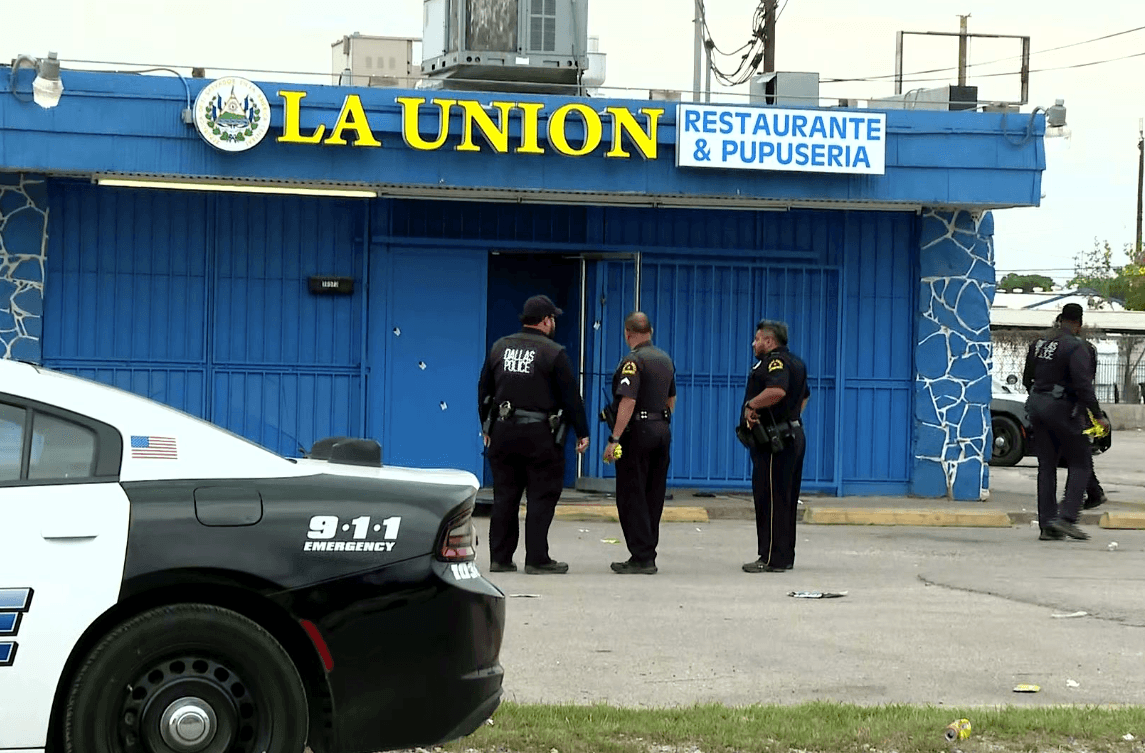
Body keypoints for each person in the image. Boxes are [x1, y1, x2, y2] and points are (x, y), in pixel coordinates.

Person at [478, 294, 590, 574]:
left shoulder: (499, 348)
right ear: (545, 321)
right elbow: (571, 398)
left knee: (505, 496)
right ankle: (537, 559)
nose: (554, 323)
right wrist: (582, 432)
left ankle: (500, 559)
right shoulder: (553, 352)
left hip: (503, 433)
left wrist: (486, 428)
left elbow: (484, 391)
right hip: (539, 436)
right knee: (541, 496)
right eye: (553, 318)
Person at [1021, 303, 1110, 541]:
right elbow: (1083, 385)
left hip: (1037, 406)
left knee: (1046, 466)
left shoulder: (1039, 345)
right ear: (1079, 324)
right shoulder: (1076, 347)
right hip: (1062, 408)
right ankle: (1067, 517)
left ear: (1060, 320)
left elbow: (1026, 379)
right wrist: (1097, 415)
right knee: (1081, 462)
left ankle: (1047, 525)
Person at [602, 312, 677, 575]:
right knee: (653, 494)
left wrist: (615, 438)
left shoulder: (633, 362)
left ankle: (641, 557)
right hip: (661, 429)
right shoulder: (665, 359)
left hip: (637, 433)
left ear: (627, 333)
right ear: (651, 330)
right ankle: (648, 551)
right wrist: (661, 423)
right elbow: (671, 399)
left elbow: (628, 401)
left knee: (631, 494)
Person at [740, 320, 810, 573]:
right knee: (786, 498)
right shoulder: (797, 362)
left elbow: (777, 390)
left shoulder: (774, 362)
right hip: (792, 434)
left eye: (757, 339)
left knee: (769, 497)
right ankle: (784, 555)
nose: (754, 343)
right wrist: (789, 418)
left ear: (769, 341)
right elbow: (804, 396)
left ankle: (771, 558)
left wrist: (753, 406)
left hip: (775, 441)